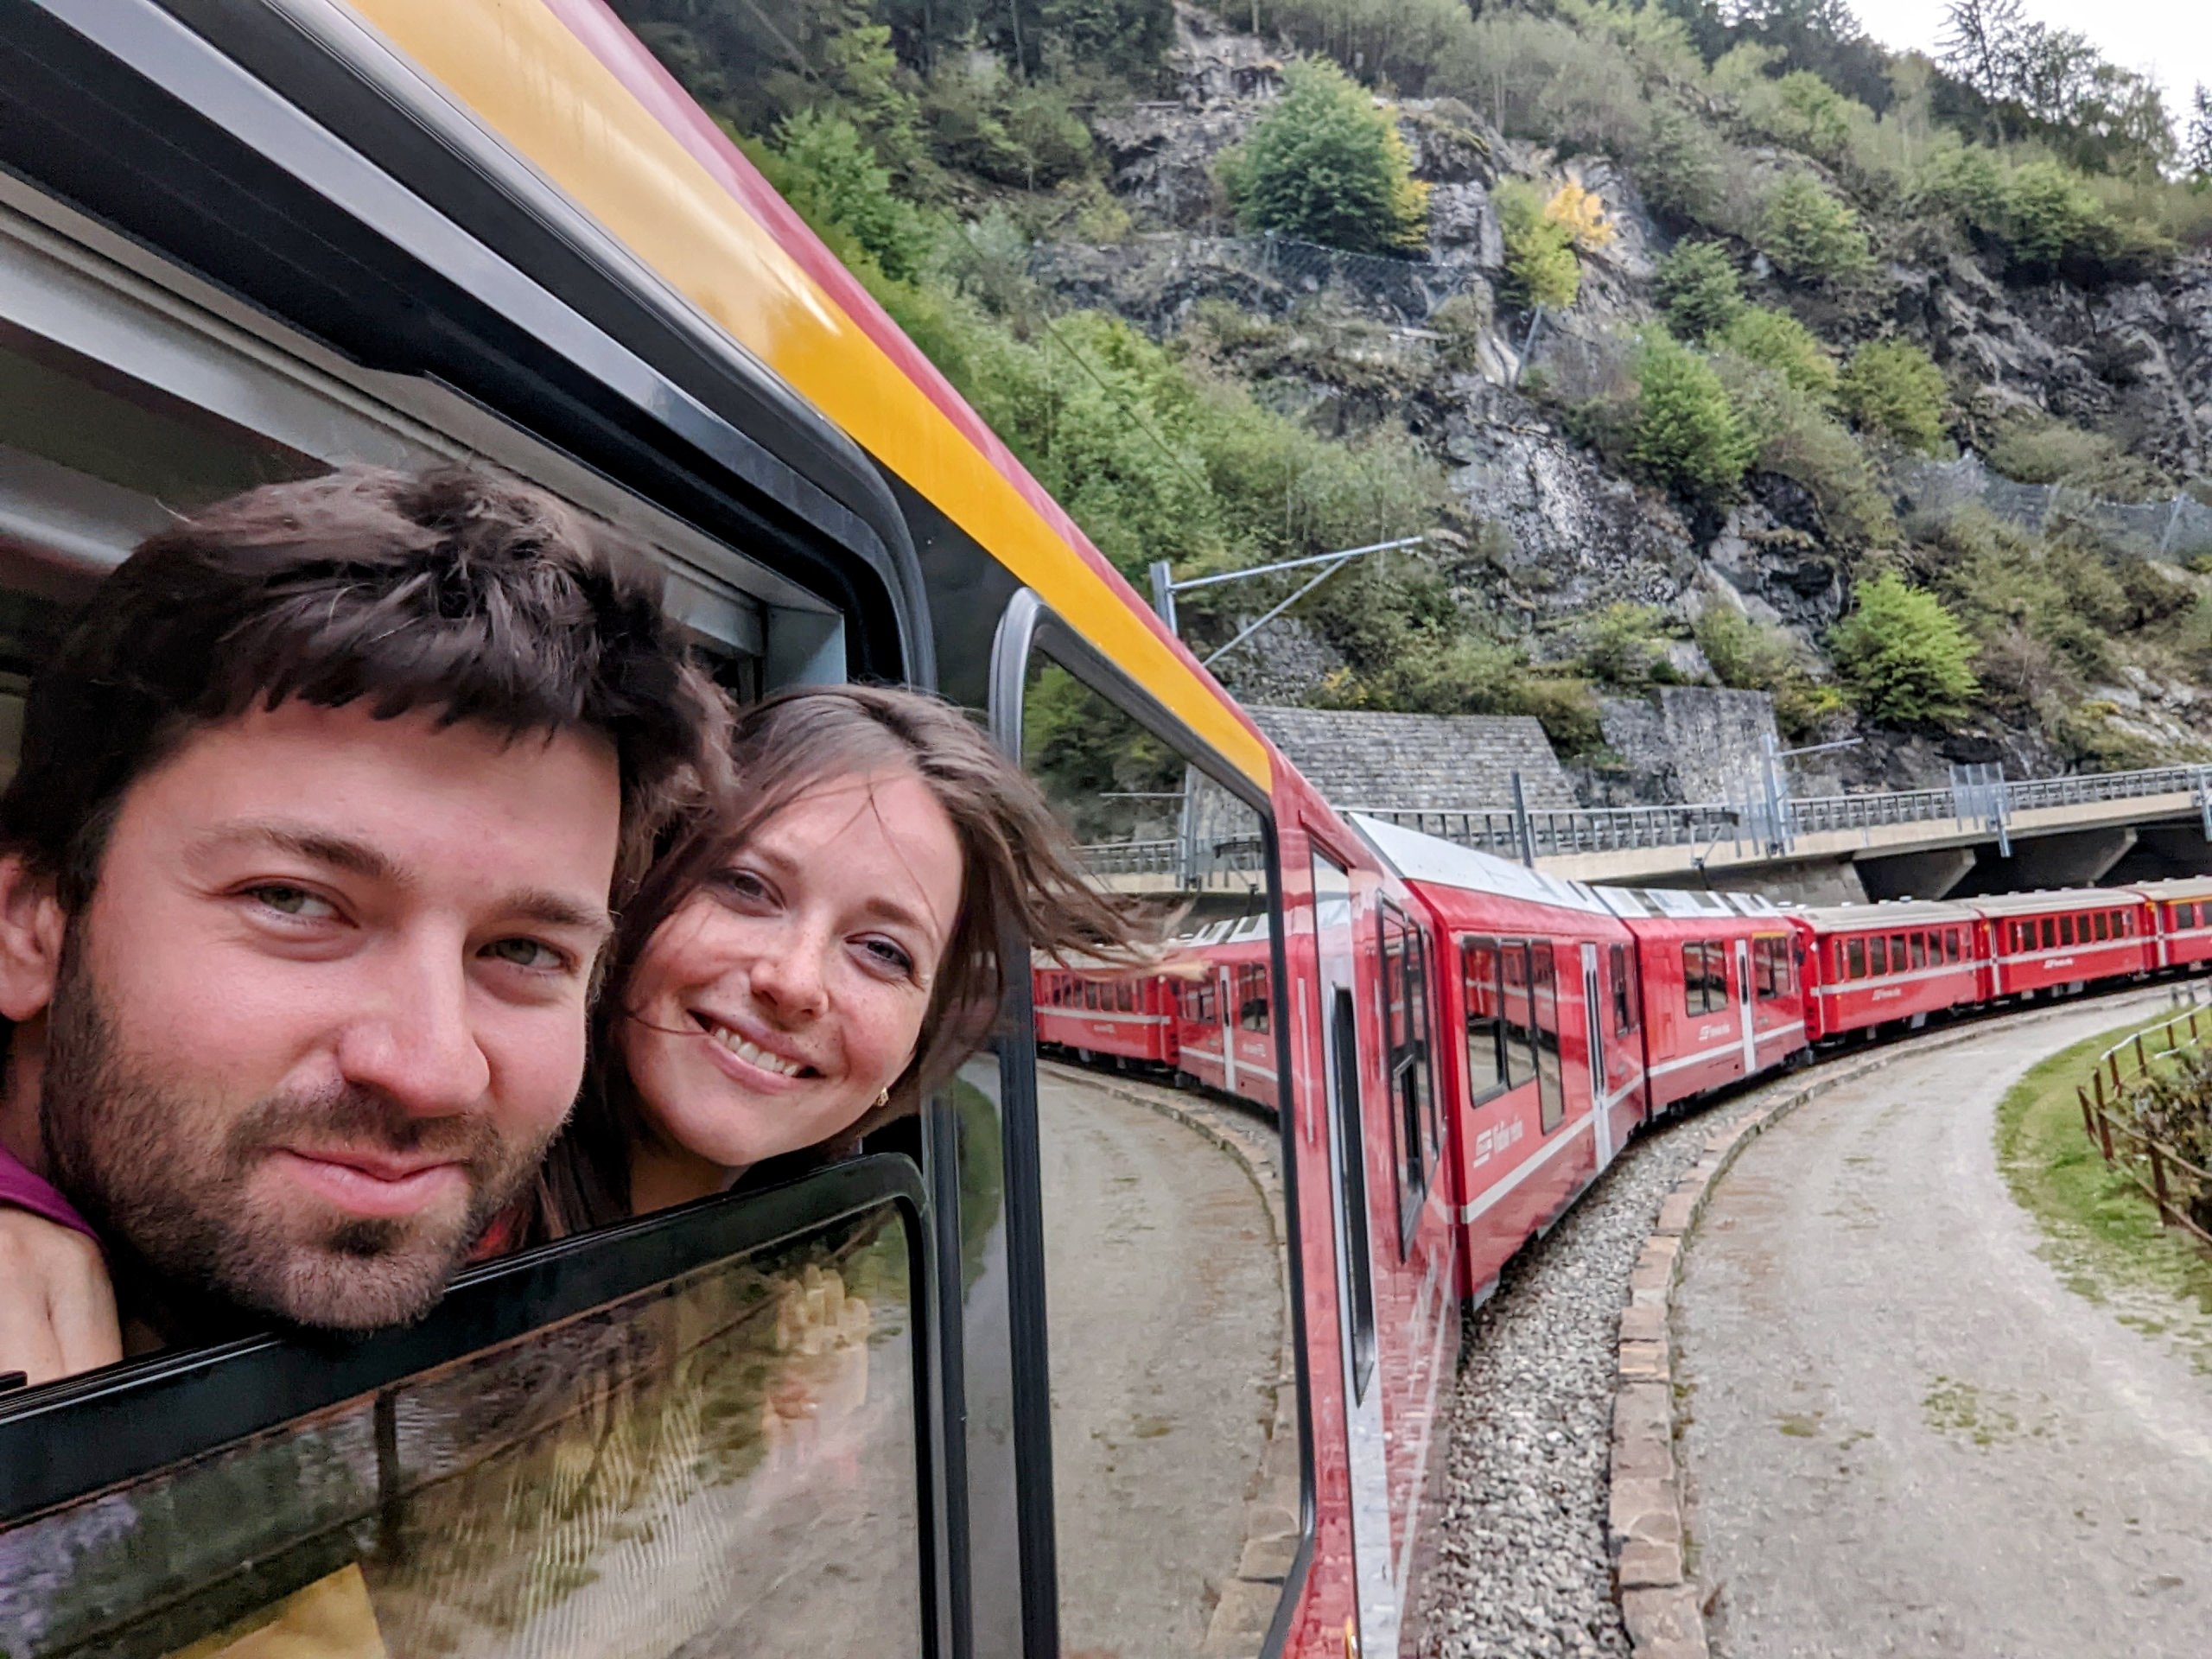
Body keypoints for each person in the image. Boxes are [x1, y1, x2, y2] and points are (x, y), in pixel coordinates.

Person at [0, 464, 725, 1384]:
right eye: (294, 901)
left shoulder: (560, 1221)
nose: (433, 1073)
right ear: (29, 924)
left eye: (523, 950)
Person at [529, 682, 1160, 1236]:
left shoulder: (813, 1291)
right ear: (640, 891)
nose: (794, 982)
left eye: (883, 951)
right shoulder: (475, 1222)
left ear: (915, 1045)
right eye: (748, 887)